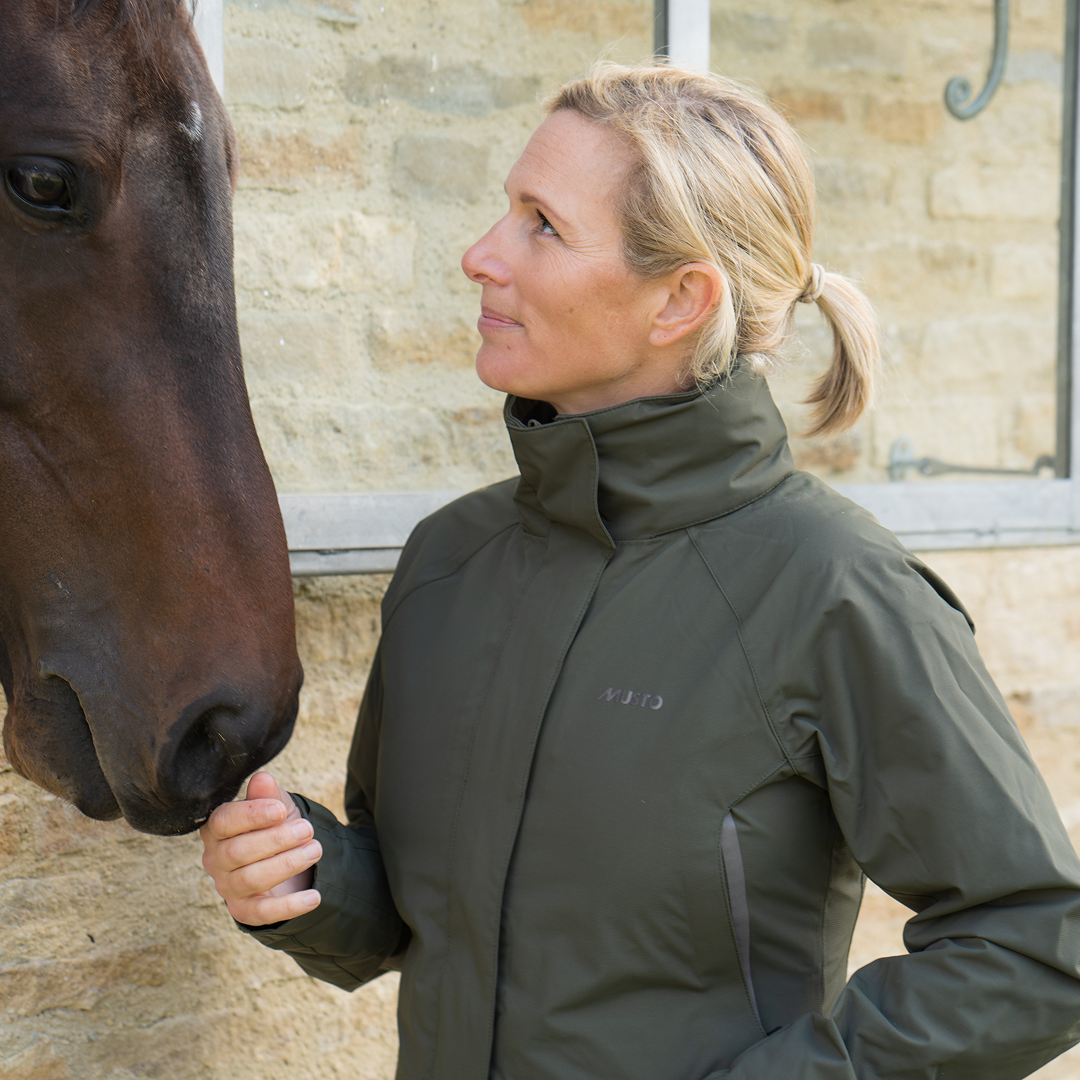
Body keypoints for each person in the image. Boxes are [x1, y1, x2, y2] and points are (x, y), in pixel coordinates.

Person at [201, 63, 1080, 1079]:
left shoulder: (835, 589)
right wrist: (308, 881)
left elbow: (1035, 949)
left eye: (542, 225)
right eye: (506, 209)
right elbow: (422, 914)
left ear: (680, 300)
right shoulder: (450, 562)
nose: (480, 255)